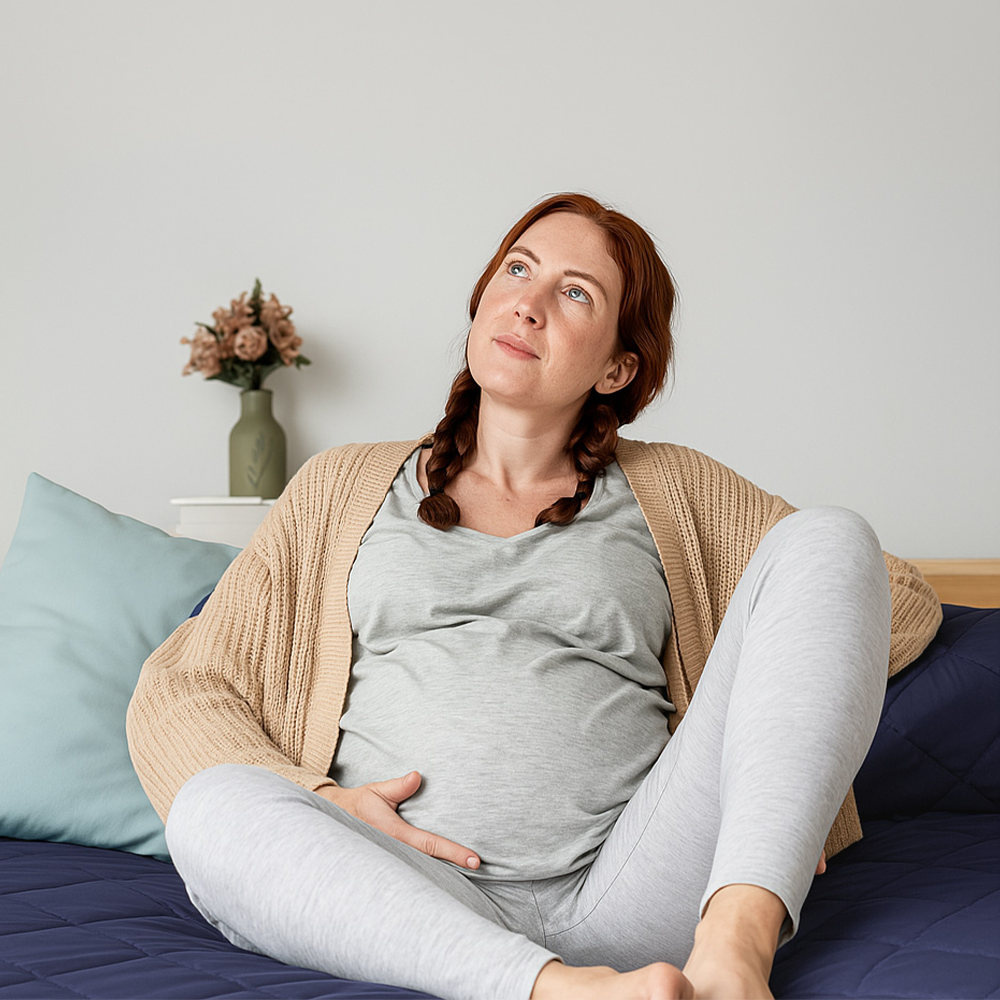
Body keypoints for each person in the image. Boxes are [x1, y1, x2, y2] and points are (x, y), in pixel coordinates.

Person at [127, 193, 941, 1000]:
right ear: (483, 301)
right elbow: (184, 686)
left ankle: (735, 952)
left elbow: (880, 594)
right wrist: (323, 796)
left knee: (834, 533)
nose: (529, 301)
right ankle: (562, 993)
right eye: (518, 269)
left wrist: (780, 764)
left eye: (575, 291)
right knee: (211, 809)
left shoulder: (677, 490)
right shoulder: (342, 485)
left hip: (636, 882)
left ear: (618, 367)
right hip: (404, 892)